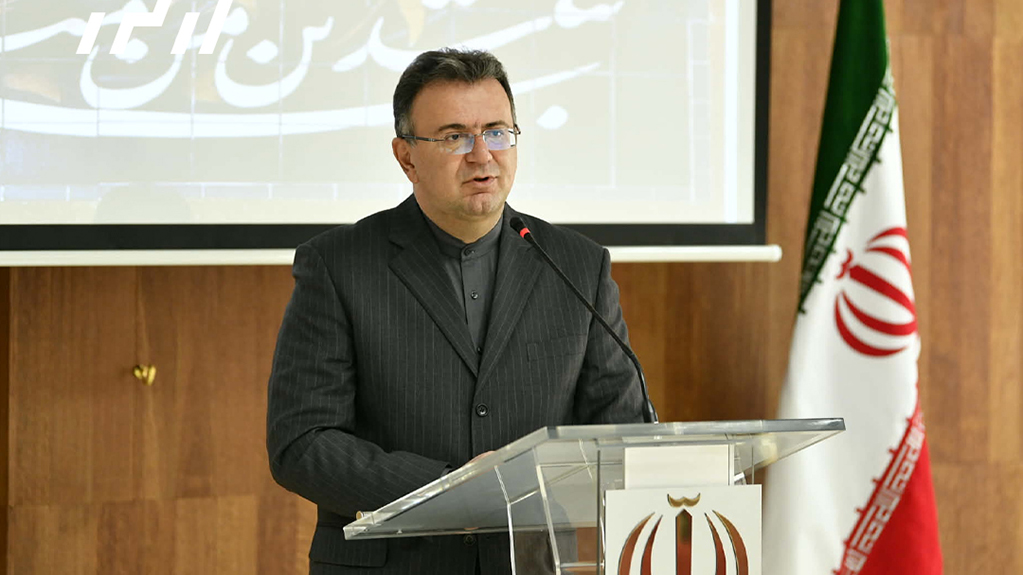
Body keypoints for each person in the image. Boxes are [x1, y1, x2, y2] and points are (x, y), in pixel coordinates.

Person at [266, 48, 646, 575]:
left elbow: (621, 431)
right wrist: (452, 489)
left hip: (531, 563)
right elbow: (301, 444)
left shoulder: (577, 265)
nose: (482, 155)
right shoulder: (338, 265)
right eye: (454, 137)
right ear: (406, 158)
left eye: (497, 132)